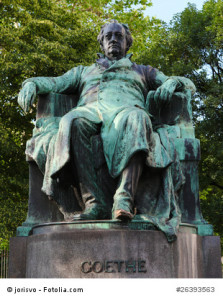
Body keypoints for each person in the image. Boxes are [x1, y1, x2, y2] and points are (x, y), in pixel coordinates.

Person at [18, 20, 195, 239]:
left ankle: (124, 199)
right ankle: (95, 203)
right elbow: (54, 83)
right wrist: (31, 83)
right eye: (108, 36)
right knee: (72, 121)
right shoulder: (83, 72)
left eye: (118, 36)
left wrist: (172, 82)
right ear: (101, 43)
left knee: (137, 118)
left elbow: (187, 84)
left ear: (126, 43)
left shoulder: (142, 71)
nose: (113, 40)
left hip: (127, 111)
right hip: (91, 112)